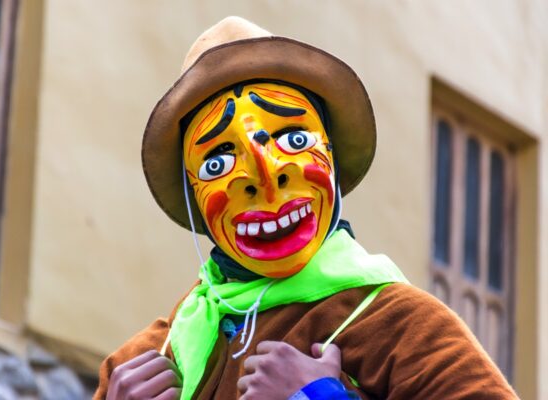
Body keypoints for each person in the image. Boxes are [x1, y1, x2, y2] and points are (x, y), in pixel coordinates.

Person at [94, 17, 517, 400]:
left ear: (331, 157)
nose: (264, 173)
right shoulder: (148, 359)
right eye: (218, 161)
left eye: (294, 139)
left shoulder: (402, 327)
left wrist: (321, 397)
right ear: (195, 198)